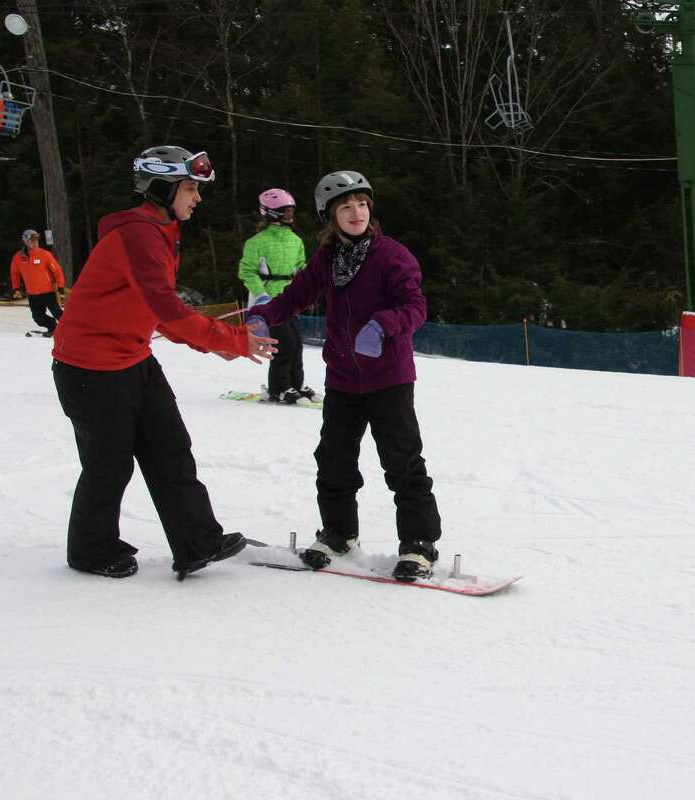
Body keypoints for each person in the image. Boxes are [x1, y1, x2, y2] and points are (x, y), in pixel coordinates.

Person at [51, 145, 278, 579]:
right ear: (162, 187)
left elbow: (158, 312)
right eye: (190, 188)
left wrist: (221, 344)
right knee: (108, 464)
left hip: (133, 358)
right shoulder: (137, 234)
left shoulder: (159, 234)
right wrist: (230, 338)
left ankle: (198, 541)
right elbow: (170, 310)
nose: (197, 197)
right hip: (89, 369)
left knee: (171, 450)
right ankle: (90, 550)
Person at [248, 170, 442, 582]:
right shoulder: (328, 259)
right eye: (345, 207)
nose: (356, 213)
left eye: (362, 204)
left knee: (402, 462)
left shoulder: (392, 255)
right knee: (333, 460)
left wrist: (384, 325)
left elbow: (415, 306)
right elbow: (297, 295)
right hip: (342, 379)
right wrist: (264, 315)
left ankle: (419, 544)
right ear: (330, 215)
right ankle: (339, 534)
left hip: (388, 377)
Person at [237, 188, 314, 404]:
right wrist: (261, 295)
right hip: (268, 302)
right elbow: (247, 271)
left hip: (290, 300)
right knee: (285, 344)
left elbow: (301, 267)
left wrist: (307, 288)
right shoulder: (257, 242)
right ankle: (278, 388)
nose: (290, 215)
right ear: (271, 213)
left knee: (297, 343)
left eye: (291, 211)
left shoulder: (295, 240)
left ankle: (296, 385)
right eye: (285, 211)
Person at [10, 229, 66, 336]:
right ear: (26, 241)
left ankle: (72, 330)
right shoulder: (19, 257)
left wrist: (60, 287)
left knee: (58, 313)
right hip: (32, 294)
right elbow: (15, 273)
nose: (36, 242)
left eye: (37, 240)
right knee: (38, 318)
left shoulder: (45, 254)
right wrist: (16, 288)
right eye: (33, 240)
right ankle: (53, 328)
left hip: (48, 292)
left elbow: (57, 271)